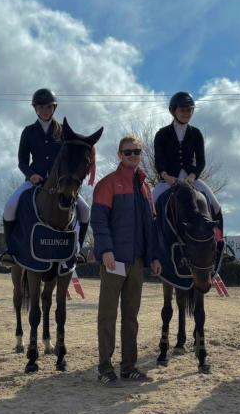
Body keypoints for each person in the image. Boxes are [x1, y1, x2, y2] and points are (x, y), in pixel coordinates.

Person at [91, 136, 162, 387]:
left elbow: (150, 227)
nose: (133, 155)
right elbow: (98, 220)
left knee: (131, 316)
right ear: (119, 154)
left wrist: (153, 256)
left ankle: (129, 367)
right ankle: (104, 367)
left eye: (137, 152)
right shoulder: (107, 184)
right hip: (114, 261)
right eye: (128, 152)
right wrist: (106, 250)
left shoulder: (145, 188)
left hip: (136, 262)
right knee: (107, 315)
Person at [1, 88, 90, 261]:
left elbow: (73, 156)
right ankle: (10, 250)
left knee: (85, 210)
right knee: (10, 206)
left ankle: (78, 249)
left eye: (48, 107)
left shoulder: (64, 131)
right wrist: (31, 175)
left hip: (61, 183)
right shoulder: (28, 131)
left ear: (54, 108)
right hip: (35, 180)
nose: (45, 111)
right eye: (41, 107)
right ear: (35, 109)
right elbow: (22, 161)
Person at [152, 91, 222, 232]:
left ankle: (219, 244)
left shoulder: (196, 133)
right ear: (173, 110)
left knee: (216, 206)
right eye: (183, 110)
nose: (187, 113)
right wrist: (166, 177)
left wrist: (192, 176)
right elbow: (159, 160)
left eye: (190, 110)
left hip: (191, 179)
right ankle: (149, 249)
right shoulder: (162, 134)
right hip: (169, 180)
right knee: (149, 207)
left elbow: (201, 161)